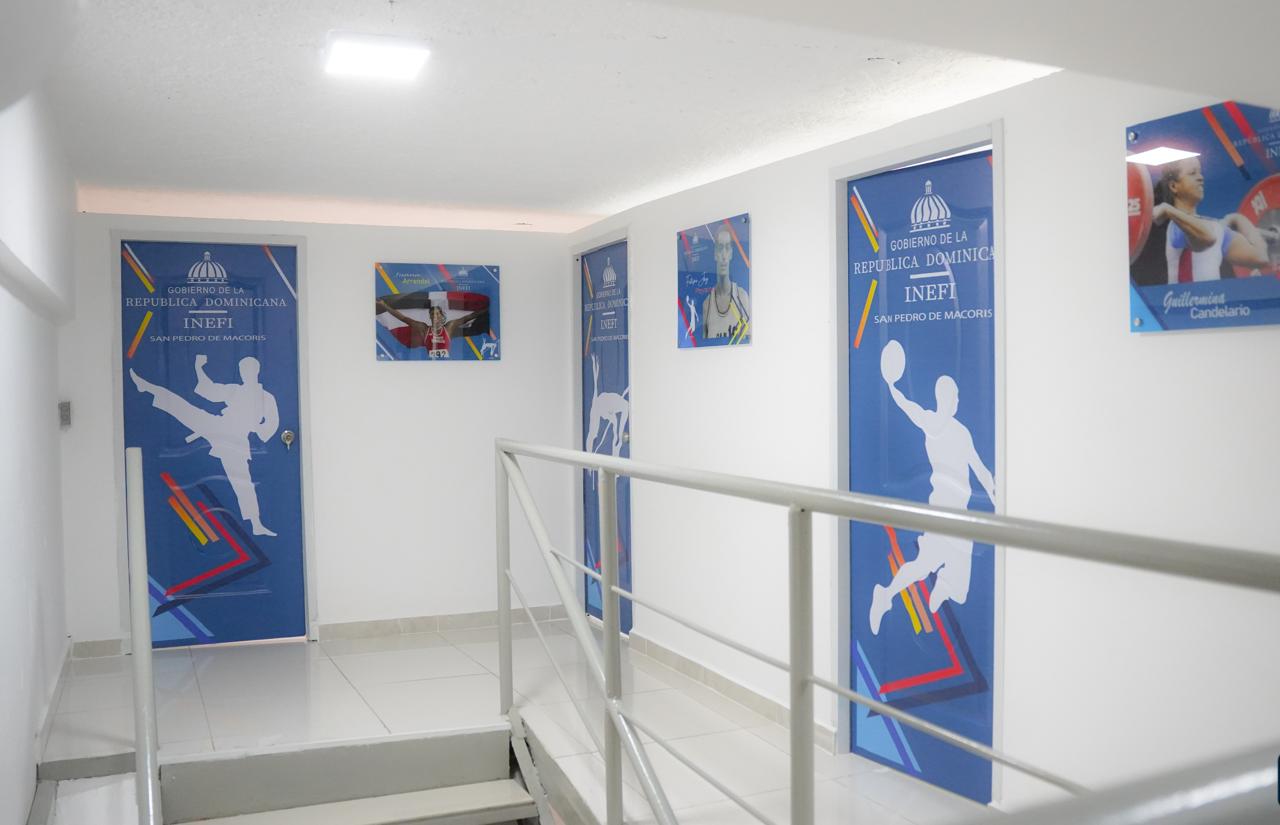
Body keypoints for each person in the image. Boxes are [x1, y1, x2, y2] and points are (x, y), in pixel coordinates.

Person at [869, 341, 994, 635]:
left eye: (958, 396)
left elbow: (980, 468)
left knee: (952, 584)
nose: (957, 401)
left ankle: (936, 588)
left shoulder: (960, 432)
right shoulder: (933, 423)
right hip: (944, 510)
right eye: (954, 396)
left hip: (959, 513)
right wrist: (892, 387)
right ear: (945, 398)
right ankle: (888, 594)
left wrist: (994, 492)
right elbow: (907, 407)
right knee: (928, 565)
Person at [130, 355, 279, 536]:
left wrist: (258, 428)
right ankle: (148, 387)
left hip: (236, 441)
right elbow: (209, 390)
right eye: (242, 370)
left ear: (256, 371)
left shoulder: (266, 398)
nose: (245, 373)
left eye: (248, 369)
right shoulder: (235, 390)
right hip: (217, 425)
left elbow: (272, 423)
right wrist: (198, 367)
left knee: (243, 482)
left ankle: (256, 524)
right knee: (184, 408)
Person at [1154, 157, 1275, 282]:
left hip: (1215, 294)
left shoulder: (1216, 228)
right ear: (1174, 186)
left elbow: (1261, 257)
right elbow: (1208, 239)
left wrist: (1239, 219)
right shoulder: (1177, 226)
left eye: (1200, 172)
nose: (1201, 178)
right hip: (1187, 295)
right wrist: (1169, 210)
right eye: (1192, 173)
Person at [701, 227, 750, 339]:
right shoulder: (707, 305)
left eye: (727, 248)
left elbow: (748, 341)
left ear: (731, 253)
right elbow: (704, 345)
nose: (723, 255)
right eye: (720, 248)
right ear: (715, 253)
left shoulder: (742, 298)